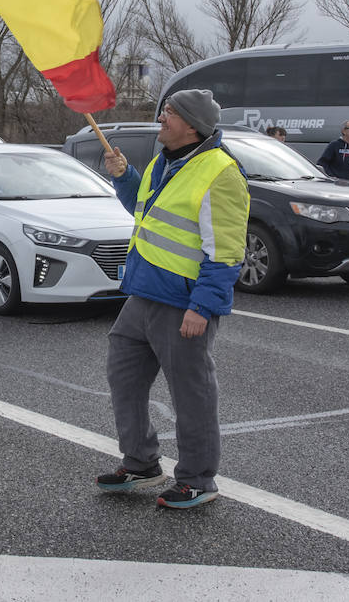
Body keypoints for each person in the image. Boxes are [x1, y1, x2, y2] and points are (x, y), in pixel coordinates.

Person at [96, 89, 249, 509]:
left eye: (170, 114)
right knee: (123, 375)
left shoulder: (220, 172)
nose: (161, 119)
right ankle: (142, 463)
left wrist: (202, 306)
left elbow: (227, 251)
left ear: (192, 125)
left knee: (191, 393)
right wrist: (124, 175)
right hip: (144, 293)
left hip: (183, 302)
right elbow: (143, 210)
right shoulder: (165, 162)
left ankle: (198, 479)